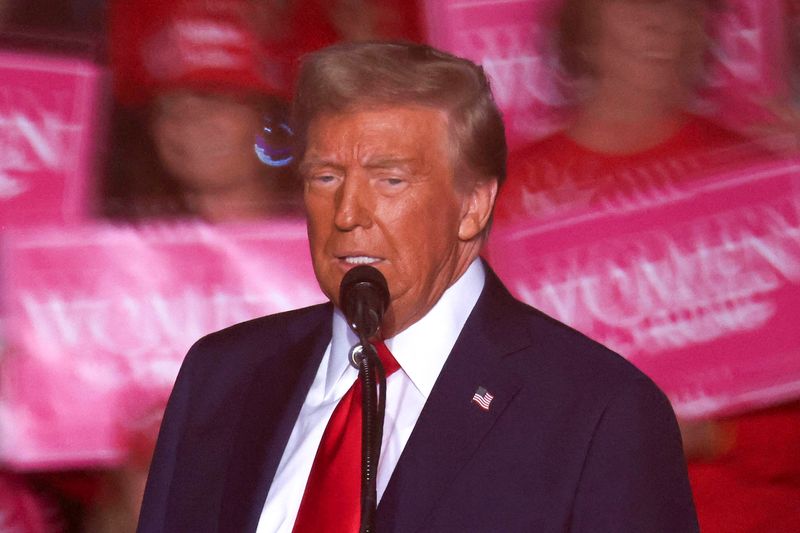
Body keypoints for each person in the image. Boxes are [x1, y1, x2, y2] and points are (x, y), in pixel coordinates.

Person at [136, 41, 698, 532]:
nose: (348, 213)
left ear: (472, 206)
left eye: (390, 179)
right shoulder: (221, 377)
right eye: (325, 177)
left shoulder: (598, 413)